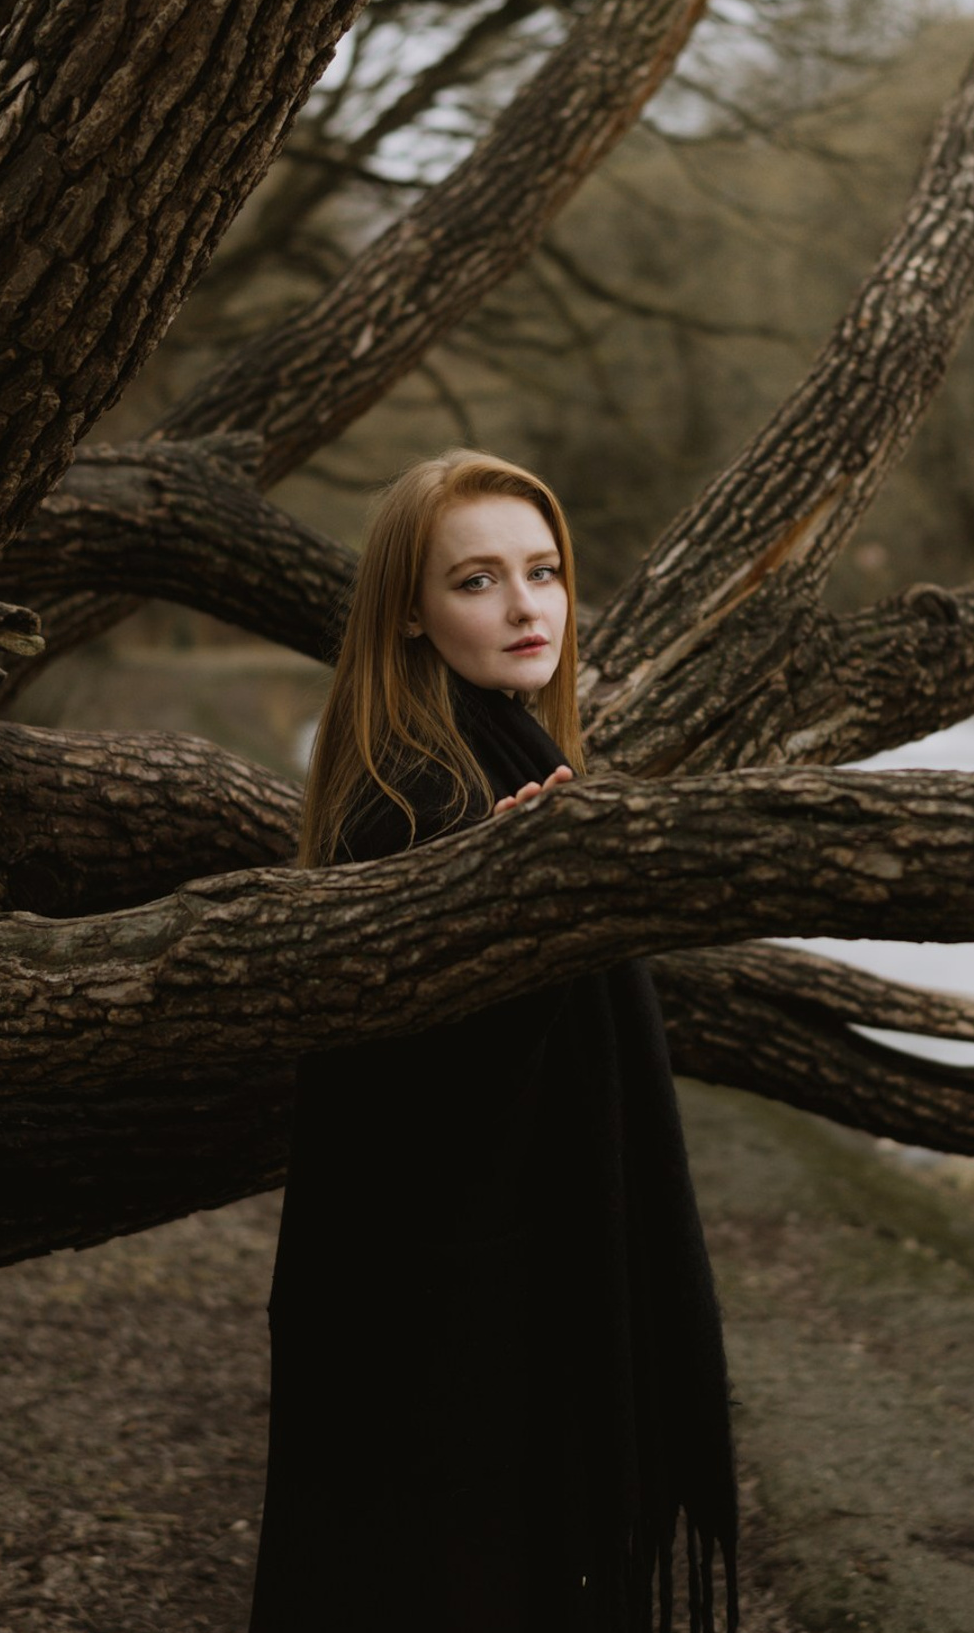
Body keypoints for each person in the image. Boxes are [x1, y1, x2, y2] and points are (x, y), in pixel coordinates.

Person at [247, 450, 740, 1633]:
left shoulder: (517, 758)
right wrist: (503, 902)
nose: (528, 608)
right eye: (477, 581)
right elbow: (417, 1089)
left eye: (545, 571)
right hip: (446, 1333)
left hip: (481, 1310)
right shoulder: (416, 794)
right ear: (410, 620)